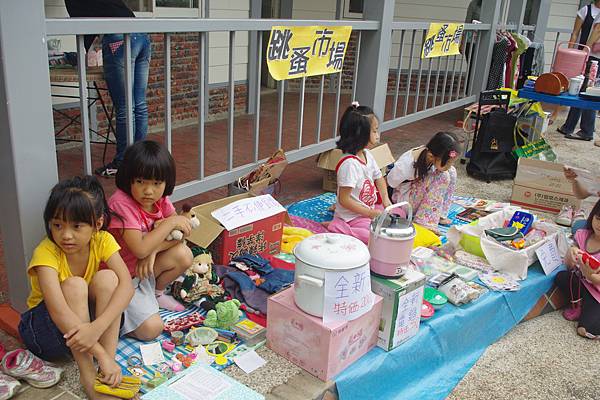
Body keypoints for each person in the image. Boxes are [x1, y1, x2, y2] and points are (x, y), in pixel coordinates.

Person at [18, 176, 134, 399]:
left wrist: (96, 328)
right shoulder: (46, 252)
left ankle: (106, 369)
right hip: (44, 333)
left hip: (83, 331)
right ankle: (88, 374)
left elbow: (127, 287)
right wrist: (96, 347)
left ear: (97, 224)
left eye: (77, 226)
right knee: (75, 285)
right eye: (58, 225)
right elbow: (58, 311)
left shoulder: (102, 240)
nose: (66, 235)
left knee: (109, 278)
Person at [108, 140, 193, 341]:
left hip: (143, 270)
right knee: (152, 330)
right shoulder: (121, 203)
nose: (149, 191)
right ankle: (117, 316)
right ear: (129, 178)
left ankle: (155, 294)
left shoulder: (160, 199)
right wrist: (168, 224)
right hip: (120, 280)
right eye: (141, 182)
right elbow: (139, 249)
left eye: (156, 184)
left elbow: (183, 232)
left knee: (184, 254)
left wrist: (154, 251)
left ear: (165, 183)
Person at [65, 0, 151, 177]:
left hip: (118, 39)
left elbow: (83, 27)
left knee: (125, 106)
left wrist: (84, 53)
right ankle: (141, 159)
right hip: (141, 34)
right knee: (139, 104)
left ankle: (123, 163)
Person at [327, 102, 392, 244]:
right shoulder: (350, 165)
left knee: (393, 218)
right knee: (372, 238)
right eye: (374, 131)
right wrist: (369, 213)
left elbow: (379, 178)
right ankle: (337, 226)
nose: (378, 135)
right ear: (360, 135)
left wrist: (386, 200)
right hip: (351, 217)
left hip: (368, 209)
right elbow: (344, 199)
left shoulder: (367, 154)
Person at [387, 132, 461, 235]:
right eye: (448, 162)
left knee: (451, 172)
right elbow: (390, 182)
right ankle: (423, 222)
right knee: (443, 176)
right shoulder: (407, 165)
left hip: (416, 194)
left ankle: (440, 214)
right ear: (432, 156)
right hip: (404, 199)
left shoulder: (431, 154)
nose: (450, 165)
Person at [555, 199, 600, 340]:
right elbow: (569, 266)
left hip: (598, 295)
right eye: (598, 218)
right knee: (561, 277)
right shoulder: (583, 234)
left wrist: (590, 275)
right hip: (583, 284)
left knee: (585, 330)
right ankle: (579, 305)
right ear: (593, 216)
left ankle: (586, 310)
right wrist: (571, 252)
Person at [556, 1, 600, 141]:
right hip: (588, 55)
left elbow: (597, 30)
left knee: (589, 91)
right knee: (582, 90)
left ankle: (586, 130)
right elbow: (576, 33)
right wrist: (572, 51)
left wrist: (585, 49)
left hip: (592, 57)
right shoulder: (586, 10)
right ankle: (569, 126)